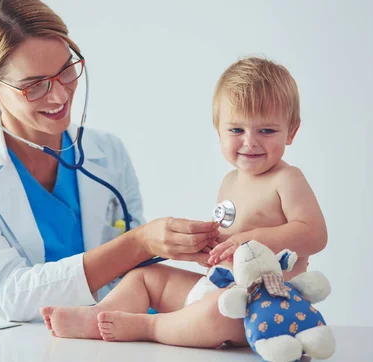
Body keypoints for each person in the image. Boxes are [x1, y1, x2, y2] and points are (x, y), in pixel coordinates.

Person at [0, 0, 220, 323]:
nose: (60, 96)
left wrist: (183, 248)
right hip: (2, 342)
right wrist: (140, 242)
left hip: (97, 338)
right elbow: (11, 295)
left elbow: (134, 276)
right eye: (35, 86)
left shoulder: (109, 152)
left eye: (66, 71)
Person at [40, 56, 328, 348]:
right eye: (236, 130)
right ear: (218, 130)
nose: (250, 141)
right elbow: (227, 245)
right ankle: (101, 314)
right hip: (217, 288)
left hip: (262, 308)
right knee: (145, 276)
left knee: (217, 311)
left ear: (291, 131)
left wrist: (251, 240)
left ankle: (148, 326)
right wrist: (209, 246)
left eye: (266, 131)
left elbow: (315, 235)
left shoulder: (287, 179)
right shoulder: (230, 181)